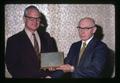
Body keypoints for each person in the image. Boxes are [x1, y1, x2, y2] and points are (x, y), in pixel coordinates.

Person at [5, 5, 58, 78]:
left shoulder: (47, 38)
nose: (35, 21)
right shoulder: (13, 41)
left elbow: (52, 61)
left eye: (37, 19)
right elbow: (13, 68)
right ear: (24, 19)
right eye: (31, 18)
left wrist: (53, 67)